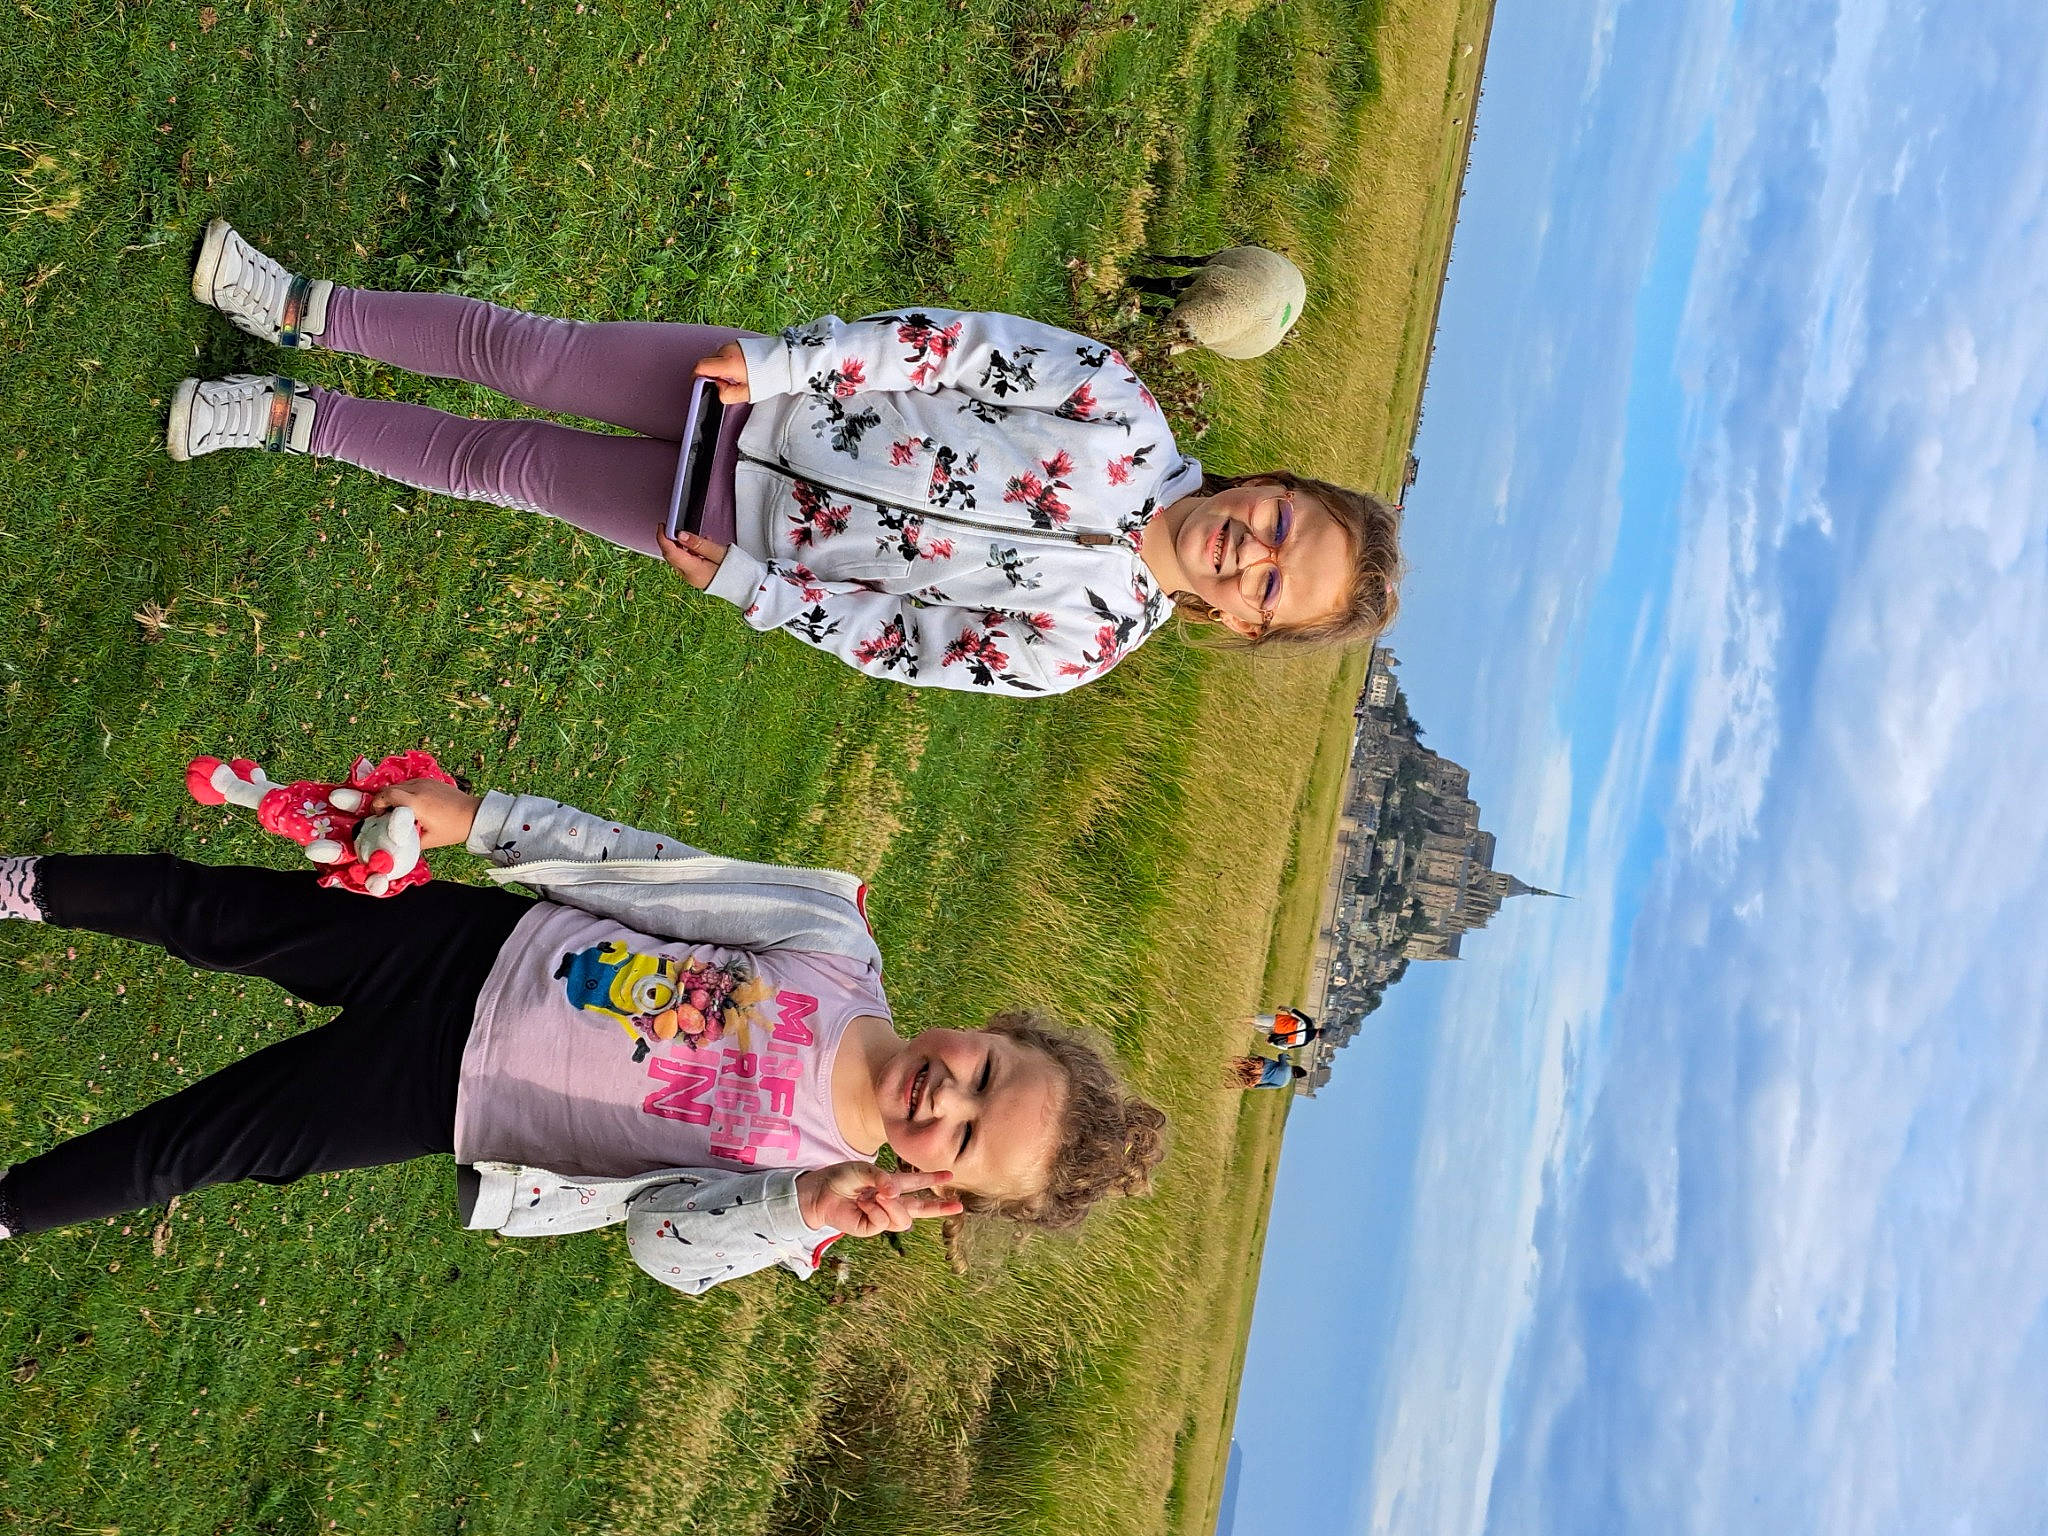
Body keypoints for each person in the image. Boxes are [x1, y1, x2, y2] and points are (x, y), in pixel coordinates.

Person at [0, 778, 1167, 1294]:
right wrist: (479, 820)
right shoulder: (829, 942)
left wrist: (802, 1211)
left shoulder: (802, 1191)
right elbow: (644, 870)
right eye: (983, 1077)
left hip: (432, 1100)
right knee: (209, 911)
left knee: (190, 1151)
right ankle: (27, 886)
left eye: (959, 1139)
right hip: (460, 947)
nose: (941, 1102)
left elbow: (662, 1243)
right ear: (996, 1028)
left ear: (941, 1189)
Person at [165, 221, 1402, 696]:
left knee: (509, 467)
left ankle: (283, 418)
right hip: (748, 391)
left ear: (1246, 627)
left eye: (1269, 587)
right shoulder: (1121, 416)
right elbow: (946, 350)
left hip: (736, 530)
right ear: (1273, 485)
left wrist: (756, 592)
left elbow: (898, 644)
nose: (1250, 554)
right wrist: (782, 366)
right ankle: (300, 310)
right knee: (525, 356)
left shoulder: (1076, 647)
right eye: (1282, 525)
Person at [1255, 1006, 1319, 1051]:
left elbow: (1294, 1012)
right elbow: (1286, 1047)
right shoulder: (1305, 1042)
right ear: (1318, 1037)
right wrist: (1271, 1043)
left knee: (1255, 1019)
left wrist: (1284, 1008)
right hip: (1275, 1034)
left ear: (1319, 1029)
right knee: (1255, 1025)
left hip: (1279, 1022)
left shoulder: (1309, 1023)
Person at [1226, 1055, 1305, 1091]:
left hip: (1258, 1065)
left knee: (1236, 1063)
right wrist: (1256, 1086)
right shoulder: (1284, 1084)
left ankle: (1225, 1062)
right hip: (1257, 1078)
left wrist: (1288, 1057)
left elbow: (1281, 1056)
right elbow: (1268, 1086)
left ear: (1295, 1067)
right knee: (1237, 1077)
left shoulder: (1287, 1067)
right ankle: (1225, 1076)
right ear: (1295, 1077)